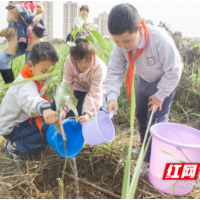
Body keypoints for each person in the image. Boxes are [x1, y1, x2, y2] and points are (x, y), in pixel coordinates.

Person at [106, 4, 183, 175]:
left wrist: (161, 95)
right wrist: (111, 97)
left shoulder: (159, 40)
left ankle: (150, 161)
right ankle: (144, 148)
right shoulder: (120, 45)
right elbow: (115, 70)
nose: (122, 45)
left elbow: (175, 70)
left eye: (126, 41)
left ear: (140, 28)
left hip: (164, 81)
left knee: (154, 121)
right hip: (143, 79)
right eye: (116, 40)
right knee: (141, 114)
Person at [0, 42, 59, 161]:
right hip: (12, 127)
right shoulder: (25, 84)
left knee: (54, 106)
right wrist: (45, 108)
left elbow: (41, 98)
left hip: (23, 119)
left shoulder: (35, 78)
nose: (46, 76)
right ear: (31, 65)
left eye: (50, 71)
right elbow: (31, 99)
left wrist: (52, 103)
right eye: (43, 71)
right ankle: (15, 146)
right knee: (50, 130)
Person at [60, 38, 108, 125]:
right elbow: (66, 89)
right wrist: (64, 109)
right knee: (73, 115)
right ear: (72, 56)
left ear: (94, 53)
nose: (83, 64)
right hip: (79, 83)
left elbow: (95, 94)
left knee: (101, 113)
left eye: (87, 60)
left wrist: (88, 115)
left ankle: (100, 131)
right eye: (79, 61)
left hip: (98, 85)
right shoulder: (69, 63)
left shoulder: (99, 67)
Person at [0, 1, 46, 84]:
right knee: (2, 59)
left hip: (32, 37)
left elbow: (39, 8)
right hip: (18, 37)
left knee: (28, 72)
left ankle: (30, 94)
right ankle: (12, 89)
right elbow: (14, 24)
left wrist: (19, 9)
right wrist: (4, 32)